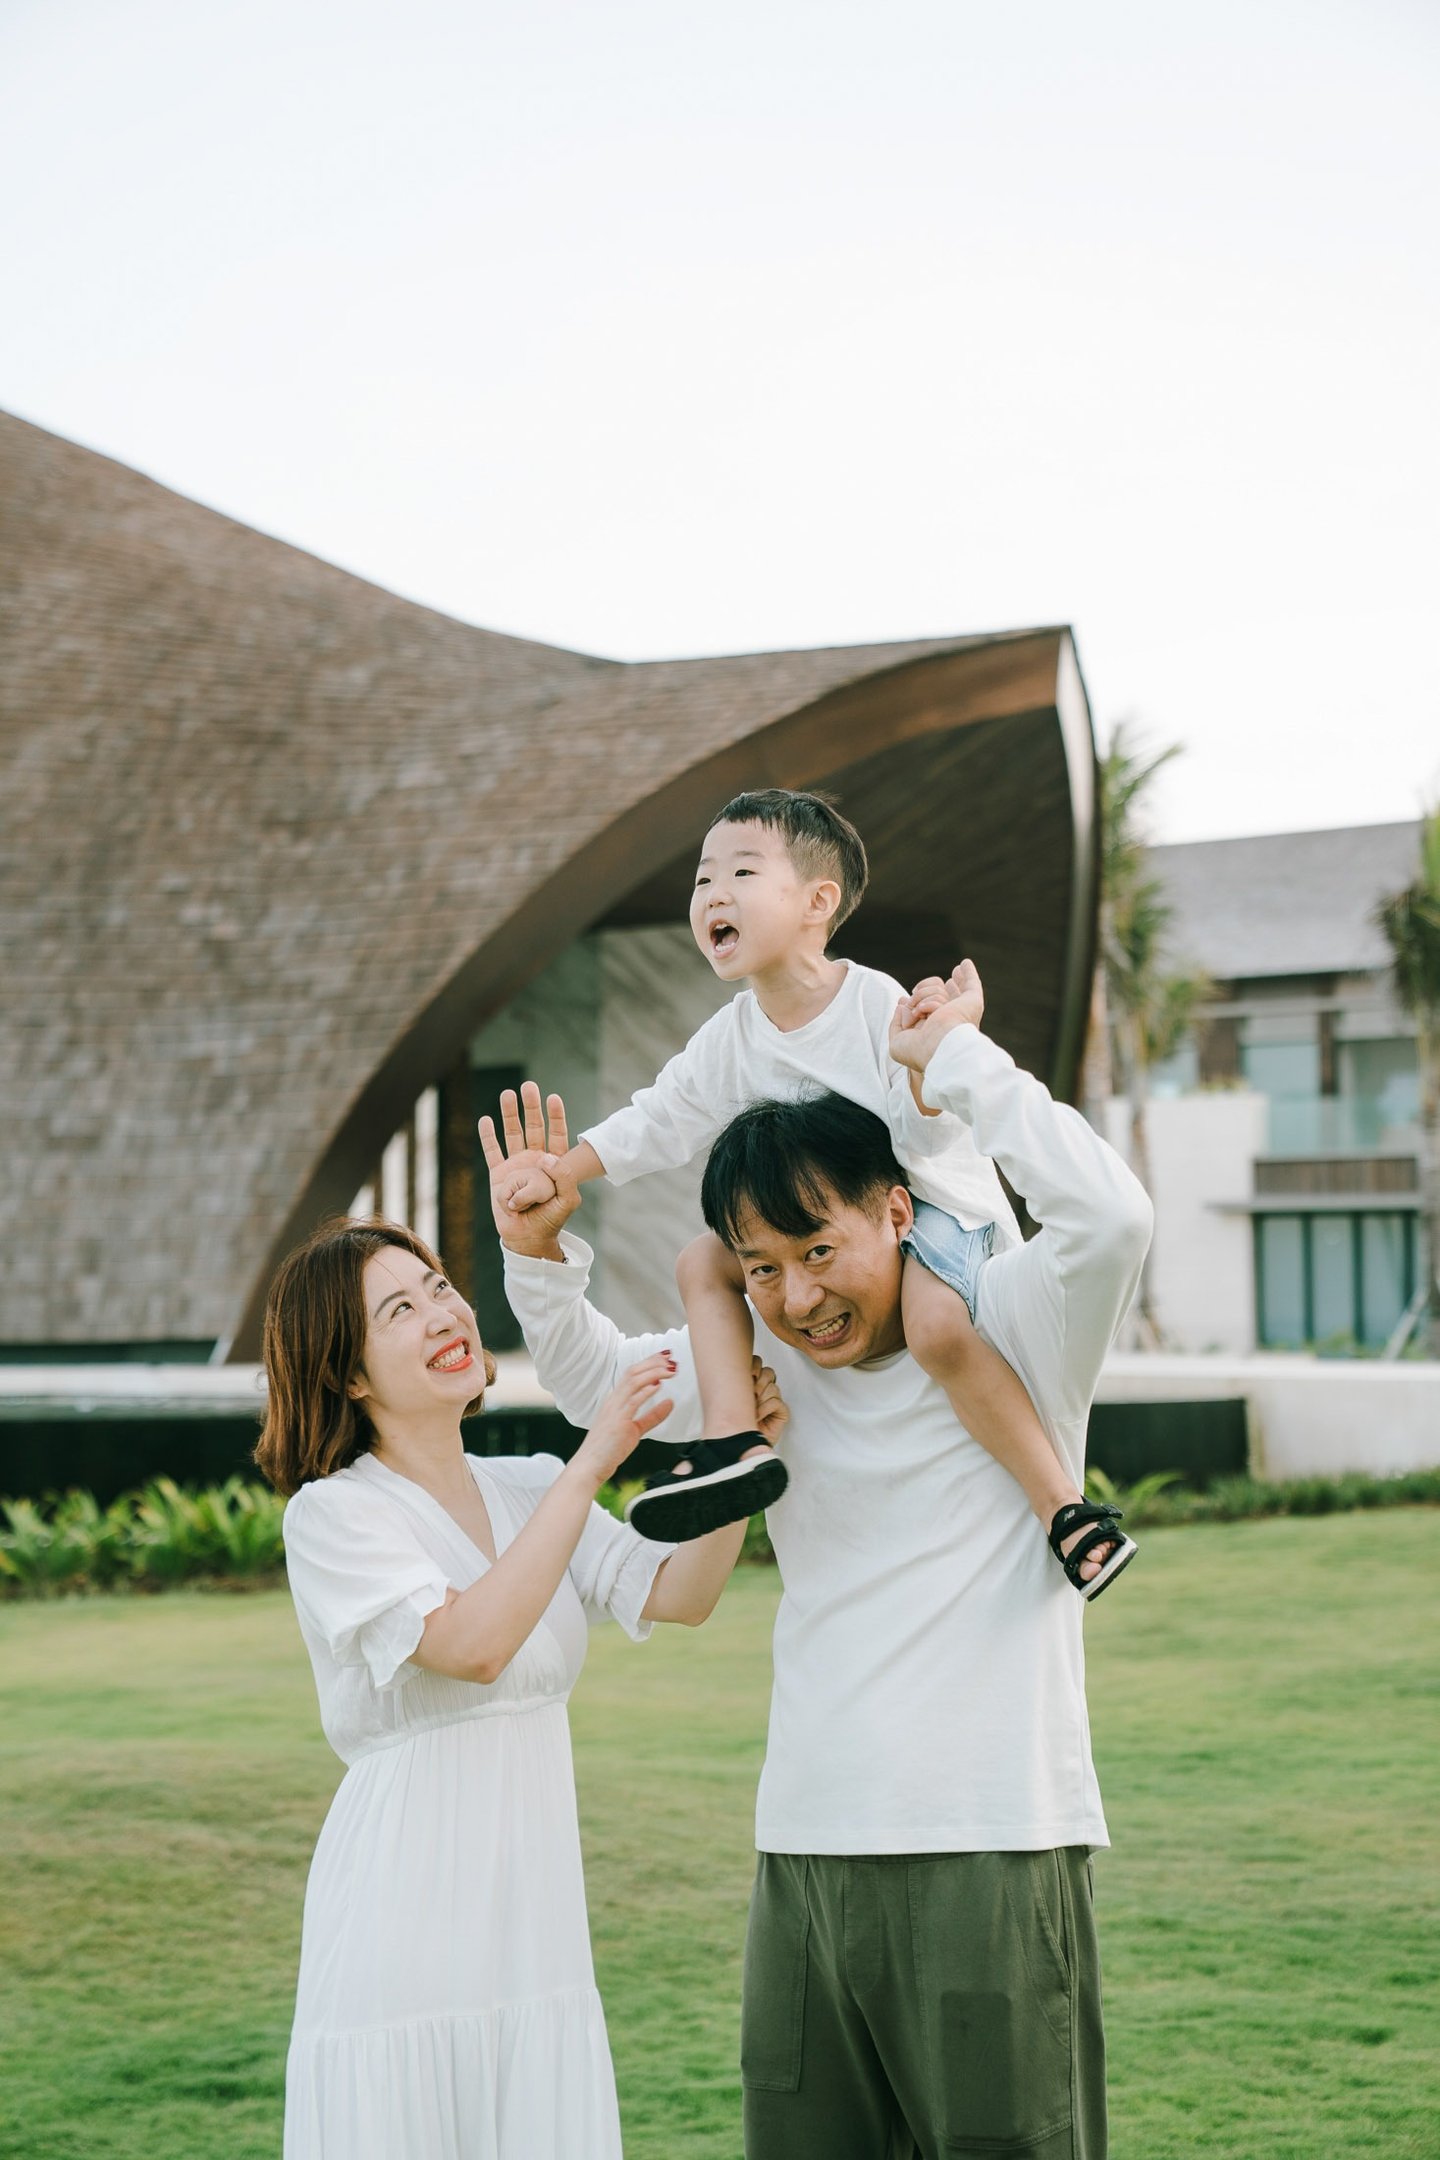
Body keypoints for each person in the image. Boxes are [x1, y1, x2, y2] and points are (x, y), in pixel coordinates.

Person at [488, 962, 1154, 2158]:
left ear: (900, 1211)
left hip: (989, 1840)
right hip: (803, 1848)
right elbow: (606, 1385)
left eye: (817, 1248)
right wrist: (540, 1258)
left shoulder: (1016, 1321)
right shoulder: (768, 1374)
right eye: (759, 1268)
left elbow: (1113, 1219)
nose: (796, 1298)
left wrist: (954, 1060)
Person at [496, 788, 1133, 1594]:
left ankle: (1064, 1509)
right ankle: (732, 1441)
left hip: (933, 1216)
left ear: (817, 903)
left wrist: (935, 1068)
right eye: (701, 881)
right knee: (703, 1260)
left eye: (741, 873)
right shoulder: (729, 1035)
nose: (712, 895)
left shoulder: (873, 1004)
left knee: (937, 1326)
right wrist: (566, 1169)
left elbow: (927, 1134)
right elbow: (662, 1116)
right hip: (829, 1228)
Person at [255, 1213, 779, 2160]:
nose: (443, 1314)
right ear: (350, 1372)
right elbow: (473, 1644)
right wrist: (597, 1459)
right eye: (400, 1309)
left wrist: (740, 1467)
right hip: (402, 1917)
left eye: (441, 1288)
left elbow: (681, 1593)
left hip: (531, 1922)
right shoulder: (334, 1516)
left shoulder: (534, 1486)